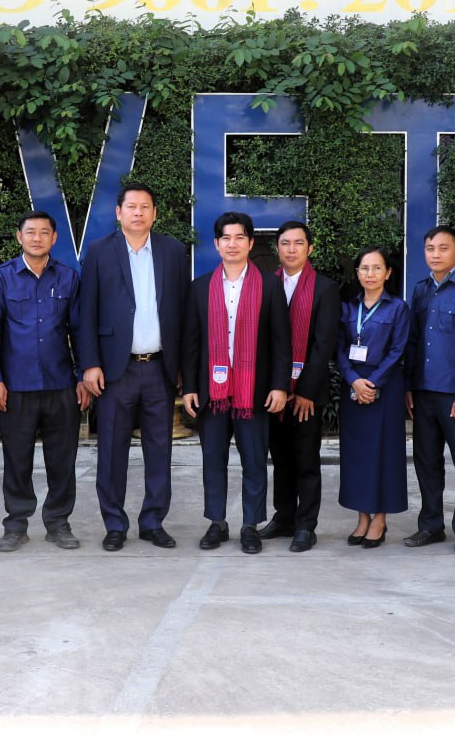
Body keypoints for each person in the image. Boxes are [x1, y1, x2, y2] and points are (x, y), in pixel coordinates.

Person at [76, 183, 190, 552]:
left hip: (159, 367)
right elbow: (86, 313)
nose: (138, 213)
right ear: (118, 212)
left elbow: (185, 313)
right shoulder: (99, 252)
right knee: (111, 449)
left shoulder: (174, 252)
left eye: (145, 207)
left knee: (160, 449)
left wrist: (183, 367)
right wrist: (90, 364)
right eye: (131, 206)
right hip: (115, 369)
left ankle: (153, 522)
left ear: (154, 213)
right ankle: (114, 524)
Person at [182, 211, 290, 555]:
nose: (232, 244)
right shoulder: (200, 287)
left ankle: (249, 526)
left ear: (250, 243)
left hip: (253, 392)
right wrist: (189, 387)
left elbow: (281, 341)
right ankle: (217, 523)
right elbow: (191, 342)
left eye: (239, 237)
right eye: (226, 238)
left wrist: (279, 386)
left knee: (254, 461)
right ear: (216, 244)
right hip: (212, 393)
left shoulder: (270, 285)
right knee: (213, 460)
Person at [0, 210, 90, 552]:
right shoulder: (2, 277)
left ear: (54, 238)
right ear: (19, 237)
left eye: (45, 232)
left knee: (62, 460)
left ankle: (58, 523)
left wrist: (83, 376)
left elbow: (79, 330)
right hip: (17, 386)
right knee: (17, 459)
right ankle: (15, 525)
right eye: (30, 232)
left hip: (60, 384)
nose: (37, 238)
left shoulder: (68, 277)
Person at [402, 225, 455, 555]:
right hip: (423, 392)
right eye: (430, 248)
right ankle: (430, 525)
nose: (435, 254)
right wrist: (409, 385)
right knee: (426, 462)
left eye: (443, 248)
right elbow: (412, 341)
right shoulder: (421, 290)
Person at [258, 220, 339, 553]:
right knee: (279, 459)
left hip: (307, 392)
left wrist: (305, 391)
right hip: (275, 392)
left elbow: (323, 345)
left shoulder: (325, 288)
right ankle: (284, 517)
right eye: (285, 243)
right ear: (277, 248)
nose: (291, 249)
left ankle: (306, 525)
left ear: (310, 248)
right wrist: (276, 385)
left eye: (298, 243)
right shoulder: (265, 284)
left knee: (306, 460)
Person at [337, 246, 410, 549]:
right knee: (357, 456)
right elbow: (339, 349)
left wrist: (373, 383)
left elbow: (398, 350)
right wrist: (354, 381)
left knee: (384, 453)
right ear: (357, 273)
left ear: (388, 273)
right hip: (353, 389)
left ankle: (379, 518)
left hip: (385, 389)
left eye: (377, 268)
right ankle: (362, 517)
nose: (370, 274)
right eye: (365, 268)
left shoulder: (398, 308)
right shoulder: (347, 308)